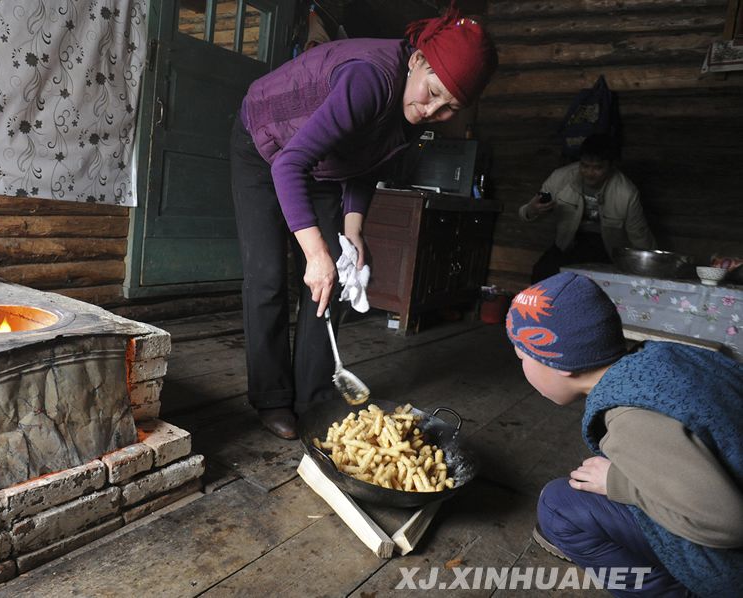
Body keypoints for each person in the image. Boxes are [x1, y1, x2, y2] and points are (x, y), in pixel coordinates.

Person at [230, 7, 498, 439]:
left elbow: (364, 161)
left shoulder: (414, 108)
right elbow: (289, 163)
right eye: (432, 93)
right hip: (267, 145)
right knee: (267, 275)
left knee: (337, 273)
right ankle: (273, 398)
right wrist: (314, 252)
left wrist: (352, 229)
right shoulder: (370, 79)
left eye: (451, 107)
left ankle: (314, 399)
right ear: (417, 61)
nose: (432, 111)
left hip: (322, 162)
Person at [506, 271, 743, 597]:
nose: (521, 367)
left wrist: (618, 484)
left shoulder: (631, 418)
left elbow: (729, 523)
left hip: (732, 569)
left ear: (561, 363)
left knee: (559, 505)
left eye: (522, 357)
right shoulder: (660, 357)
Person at [519, 134, 657, 283]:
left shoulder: (626, 193)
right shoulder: (561, 177)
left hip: (606, 250)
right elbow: (527, 212)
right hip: (567, 243)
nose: (590, 173)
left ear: (610, 166)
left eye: (598, 167)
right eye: (585, 166)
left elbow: (639, 235)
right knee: (541, 272)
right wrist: (532, 210)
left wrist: (652, 269)